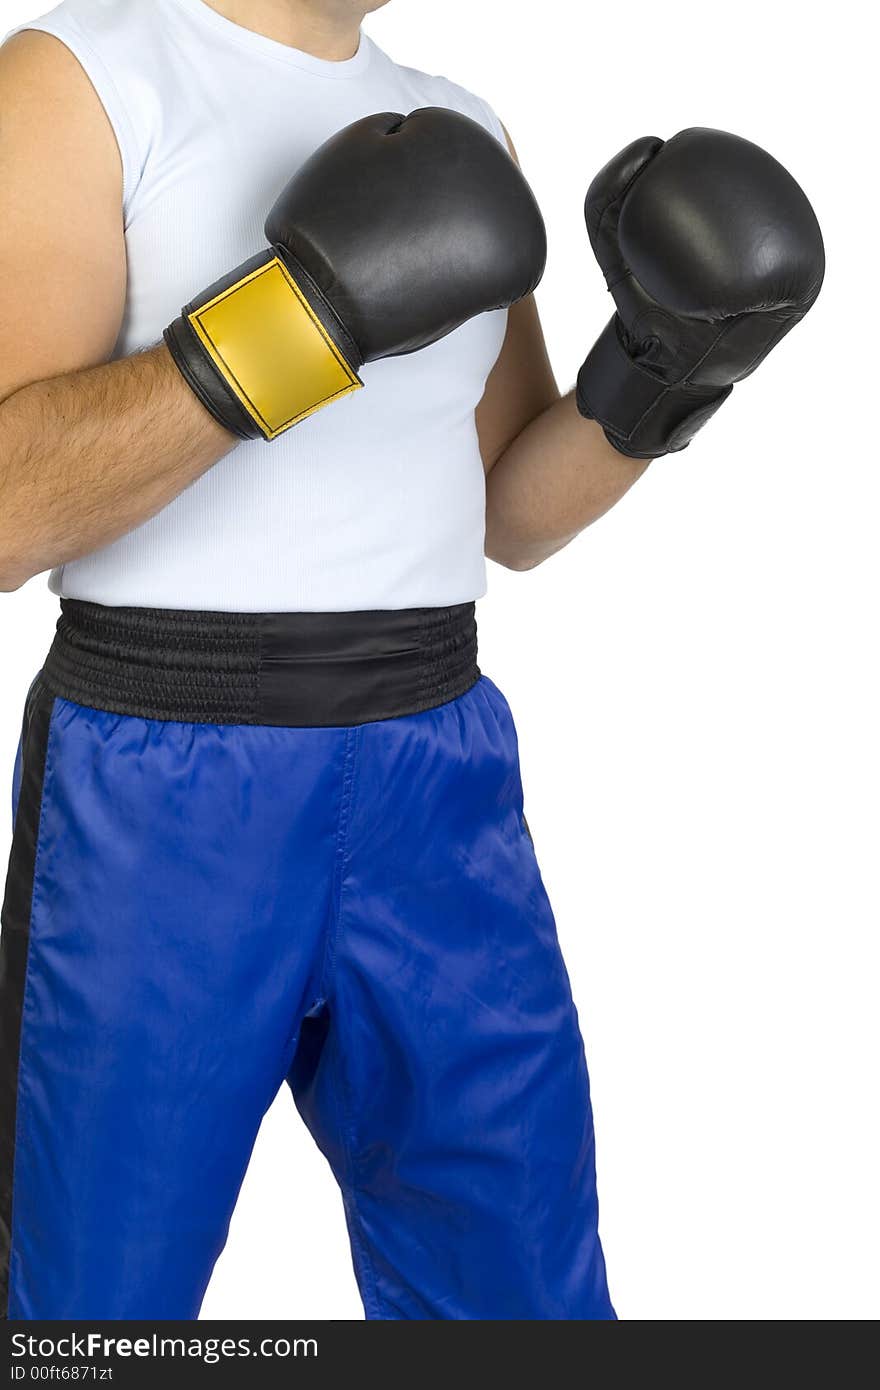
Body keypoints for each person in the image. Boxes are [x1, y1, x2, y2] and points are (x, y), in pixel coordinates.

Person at [0, 0, 823, 1321]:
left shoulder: (459, 128)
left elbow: (510, 508)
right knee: (95, 1311)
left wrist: (663, 371)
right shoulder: (83, 78)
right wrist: (300, 319)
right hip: (168, 779)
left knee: (523, 1293)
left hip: (438, 765)